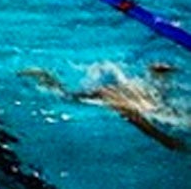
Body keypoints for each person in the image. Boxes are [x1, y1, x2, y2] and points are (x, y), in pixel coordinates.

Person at [23, 62, 185, 151]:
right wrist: (165, 140)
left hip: (121, 91)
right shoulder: (125, 102)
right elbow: (133, 117)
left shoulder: (142, 101)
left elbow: (136, 118)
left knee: (67, 95)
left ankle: (43, 75)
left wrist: (164, 139)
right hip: (114, 93)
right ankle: (42, 75)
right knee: (68, 97)